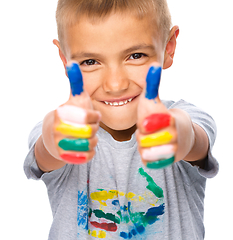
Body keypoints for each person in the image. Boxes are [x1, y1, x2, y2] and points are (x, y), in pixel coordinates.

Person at [24, 0, 219, 239]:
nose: (115, 84)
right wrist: (54, 138)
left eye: (135, 56)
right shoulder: (65, 127)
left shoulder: (186, 117)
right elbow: (46, 151)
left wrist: (179, 135)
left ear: (168, 47)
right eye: (90, 62)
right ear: (65, 60)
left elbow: (193, 138)